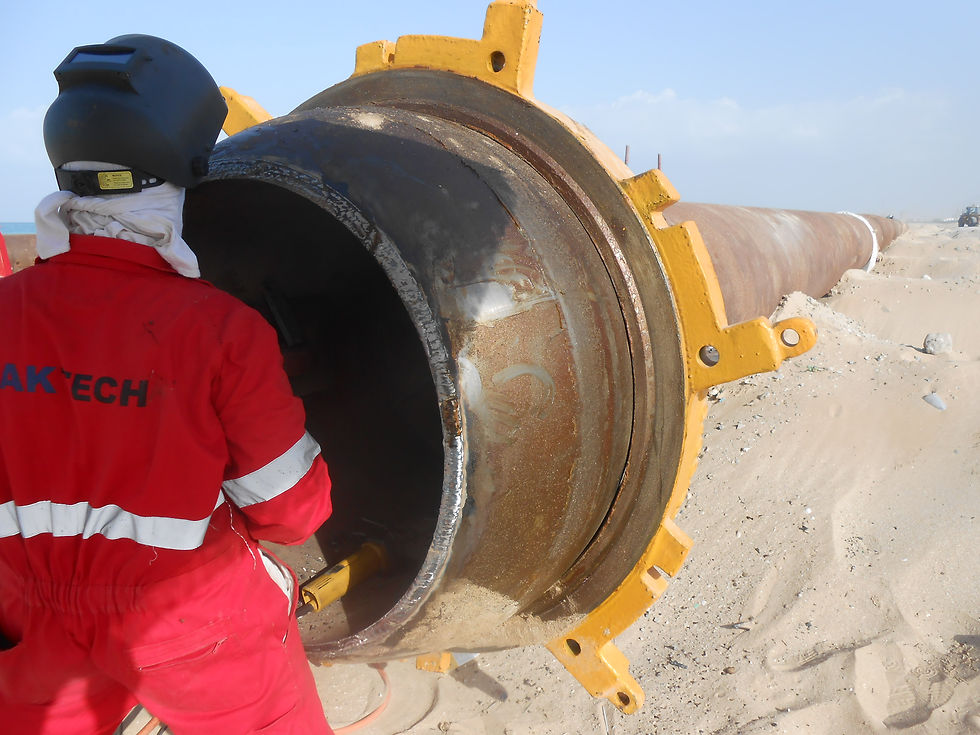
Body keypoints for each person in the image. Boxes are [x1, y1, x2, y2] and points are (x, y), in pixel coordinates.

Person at [0, 35, 334, 734]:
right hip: (186, 619)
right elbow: (292, 512)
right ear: (179, 181)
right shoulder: (219, 330)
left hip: (26, 610)